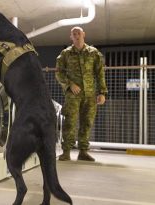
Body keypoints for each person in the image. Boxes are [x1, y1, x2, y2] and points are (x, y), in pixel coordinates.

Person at [55, 26, 108, 161]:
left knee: (87, 122)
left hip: (90, 94)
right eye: (74, 34)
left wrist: (102, 92)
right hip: (73, 94)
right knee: (70, 122)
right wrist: (69, 85)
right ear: (71, 37)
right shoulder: (66, 54)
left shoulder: (93, 53)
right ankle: (66, 151)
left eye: (78, 33)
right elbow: (59, 73)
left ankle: (83, 151)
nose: (77, 35)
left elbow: (100, 73)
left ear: (84, 34)